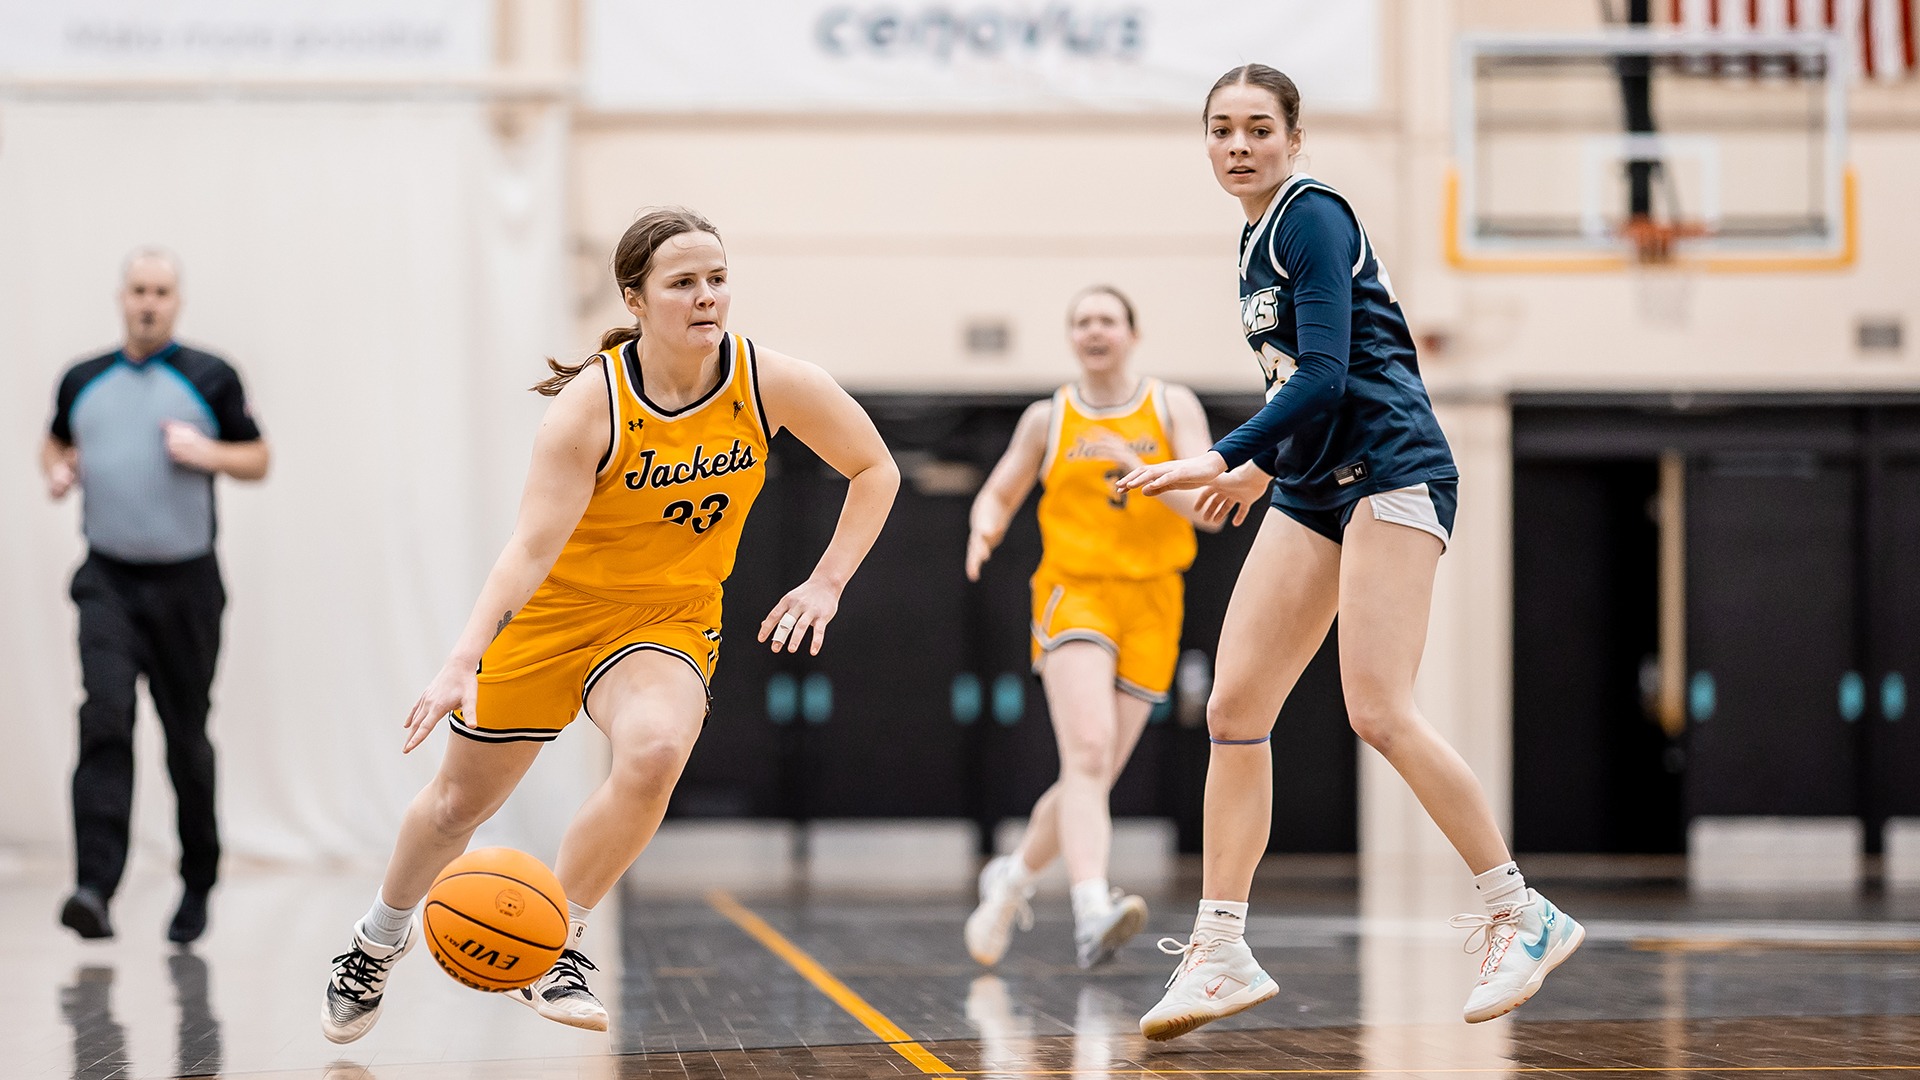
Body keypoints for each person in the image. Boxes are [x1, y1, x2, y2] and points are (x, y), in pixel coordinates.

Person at [320, 207, 899, 1042]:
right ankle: (375, 942)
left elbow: (873, 465)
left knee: (658, 750)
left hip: (668, 618)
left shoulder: (769, 381)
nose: (708, 297)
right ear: (635, 297)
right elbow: (525, 552)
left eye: (718, 278)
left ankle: (559, 940)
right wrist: (460, 661)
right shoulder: (590, 410)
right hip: (555, 616)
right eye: (683, 283)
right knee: (455, 805)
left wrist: (827, 582)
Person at [1117, 65, 1584, 1039]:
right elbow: (1304, 381)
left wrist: (1221, 453)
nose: (1238, 144)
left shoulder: (1311, 216)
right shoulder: (1251, 239)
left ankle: (1518, 910)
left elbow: (1329, 373)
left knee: (1376, 707)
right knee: (1235, 707)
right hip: (1314, 482)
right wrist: (1261, 471)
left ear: (1293, 139)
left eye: (1257, 128)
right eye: (1220, 129)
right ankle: (1220, 949)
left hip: (1392, 469)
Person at [962, 286, 1229, 970]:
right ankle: (1091, 908)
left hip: (1154, 600)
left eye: (1106, 319)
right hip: (1074, 593)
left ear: (1132, 334)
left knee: (1095, 772)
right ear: (1071, 338)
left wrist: (1140, 470)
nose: (1093, 330)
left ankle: (1012, 881)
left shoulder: (1173, 405)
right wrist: (984, 526)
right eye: (1081, 321)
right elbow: (1001, 489)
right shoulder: (1048, 417)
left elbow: (1210, 510)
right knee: (1087, 748)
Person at [42, 249, 271, 945]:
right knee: (105, 720)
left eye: (161, 292)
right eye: (139, 290)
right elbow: (52, 443)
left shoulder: (210, 376)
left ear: (177, 301)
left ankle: (196, 882)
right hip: (107, 579)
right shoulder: (83, 378)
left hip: (187, 586)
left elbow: (258, 457)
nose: (149, 302)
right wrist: (57, 470)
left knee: (185, 739)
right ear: (121, 297)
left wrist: (211, 455)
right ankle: (94, 888)